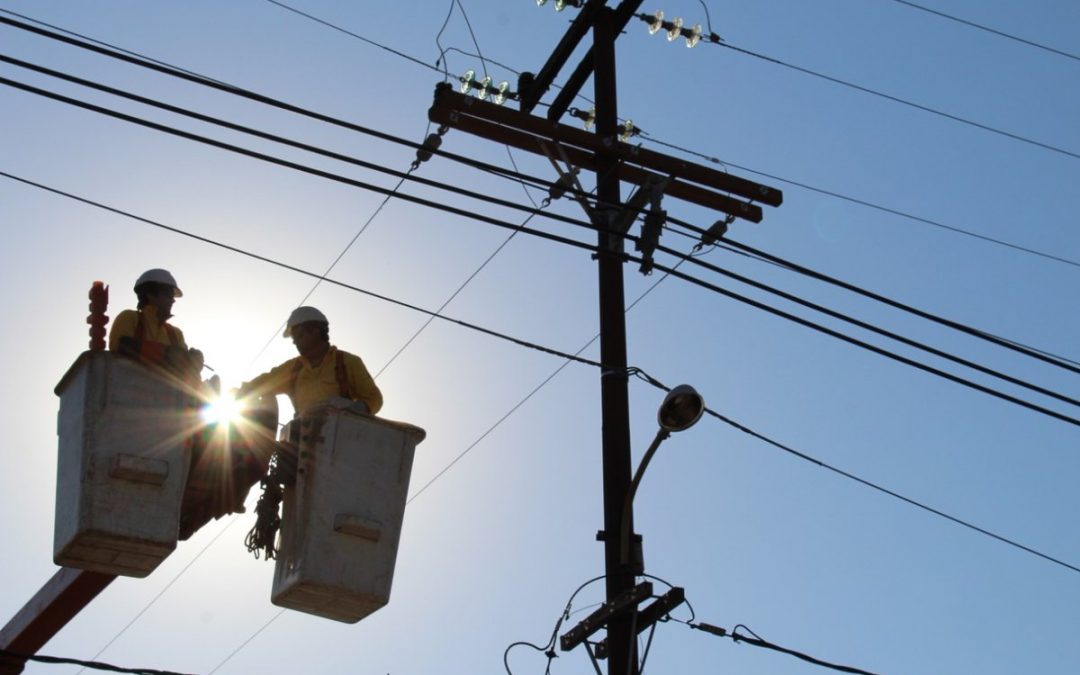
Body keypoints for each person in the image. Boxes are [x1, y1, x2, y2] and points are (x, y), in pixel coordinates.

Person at [238, 306, 382, 417]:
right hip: (302, 442)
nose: (295, 343)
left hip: (340, 441)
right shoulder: (293, 368)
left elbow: (374, 398)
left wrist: (353, 407)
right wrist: (239, 392)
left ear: (316, 331)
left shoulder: (347, 362)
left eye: (299, 335)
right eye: (294, 339)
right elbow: (264, 383)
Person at [109, 268, 203, 381]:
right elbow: (120, 345)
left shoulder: (175, 334)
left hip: (166, 397)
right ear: (151, 295)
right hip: (128, 393)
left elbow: (185, 372)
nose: (173, 301)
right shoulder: (129, 318)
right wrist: (165, 354)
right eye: (169, 295)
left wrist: (195, 363)